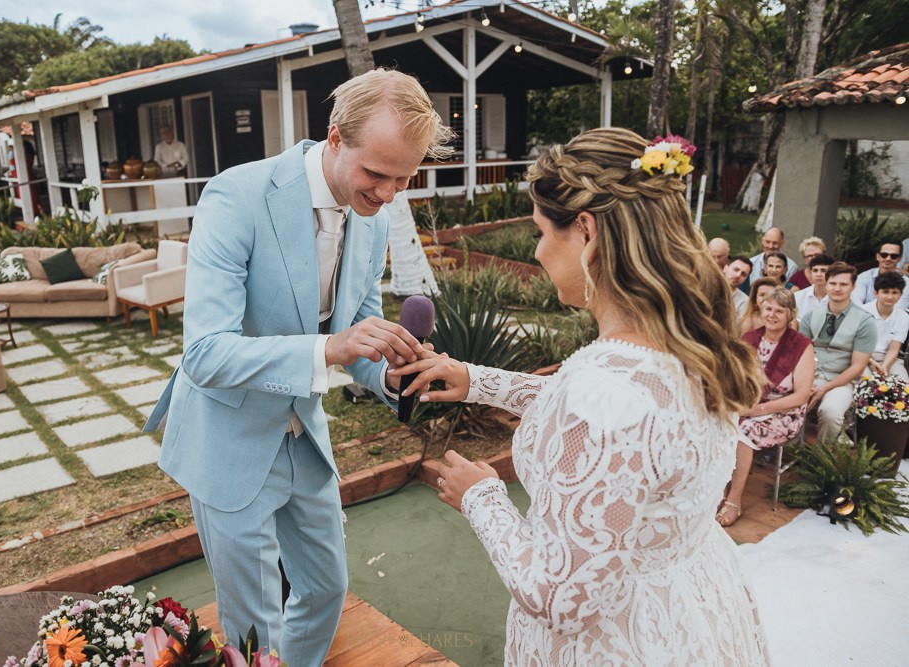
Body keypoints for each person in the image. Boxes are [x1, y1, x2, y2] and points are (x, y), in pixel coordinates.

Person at [390, 128, 769, 665]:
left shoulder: (603, 391)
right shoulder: (689, 346)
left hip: (619, 641)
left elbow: (560, 596)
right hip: (691, 607)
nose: (538, 250)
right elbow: (625, 416)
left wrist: (481, 497)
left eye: (543, 231)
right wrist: (479, 381)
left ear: (587, 232)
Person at [143, 69, 453, 664]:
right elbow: (205, 354)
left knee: (325, 587)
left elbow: (356, 329)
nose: (388, 193)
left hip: (304, 440)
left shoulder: (375, 215)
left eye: (404, 178)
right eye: (377, 174)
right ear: (334, 137)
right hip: (229, 440)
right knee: (252, 626)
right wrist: (330, 351)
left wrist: (385, 373)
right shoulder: (236, 196)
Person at [717, 288, 814, 527]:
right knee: (716, 424)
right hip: (748, 403)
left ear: (790, 314)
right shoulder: (750, 338)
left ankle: (734, 500)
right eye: (768, 308)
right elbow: (736, 379)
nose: (772, 315)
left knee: (743, 433)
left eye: (779, 311)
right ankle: (717, 489)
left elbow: (801, 396)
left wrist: (757, 410)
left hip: (785, 411)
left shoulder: (801, 345)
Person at [799, 262, 877, 444]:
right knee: (787, 401)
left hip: (842, 380)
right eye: (833, 283)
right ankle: (792, 450)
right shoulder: (811, 315)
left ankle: (821, 458)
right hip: (810, 374)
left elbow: (858, 366)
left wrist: (824, 388)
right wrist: (806, 381)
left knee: (830, 412)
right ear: (826, 285)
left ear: (853, 287)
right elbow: (801, 354)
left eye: (843, 284)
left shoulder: (865, 321)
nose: (837, 288)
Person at [863, 271, 909, 381]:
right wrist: (870, 361)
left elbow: (894, 348)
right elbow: (854, 344)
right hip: (862, 356)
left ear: (900, 294)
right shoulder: (862, 312)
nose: (890, 296)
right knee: (867, 384)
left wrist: (884, 367)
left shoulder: (904, 316)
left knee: (903, 385)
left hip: (889, 358)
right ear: (876, 292)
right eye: (885, 292)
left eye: (895, 292)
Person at [852, 239, 909, 309]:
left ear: (900, 259)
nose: (888, 258)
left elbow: (896, 310)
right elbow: (856, 305)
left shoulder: (907, 283)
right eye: (884, 255)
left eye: (893, 256)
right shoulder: (863, 277)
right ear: (877, 256)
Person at [795, 254, 835, 320]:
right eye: (815, 270)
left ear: (832, 273)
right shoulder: (797, 297)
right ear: (811, 272)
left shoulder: (839, 297)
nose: (818, 274)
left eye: (823, 270)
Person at [725, 255, 753, 321]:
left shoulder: (744, 302)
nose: (738, 275)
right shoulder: (707, 289)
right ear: (725, 268)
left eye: (743, 274)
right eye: (736, 269)